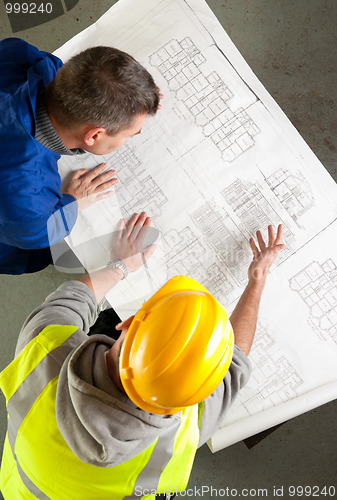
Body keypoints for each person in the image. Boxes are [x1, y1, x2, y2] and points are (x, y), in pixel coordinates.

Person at [0, 221, 284, 499]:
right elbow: (236, 362)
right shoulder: (181, 435)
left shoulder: (45, 350)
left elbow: (72, 299)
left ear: (127, 323)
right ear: (199, 391)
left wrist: (119, 265)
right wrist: (257, 280)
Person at [0, 38, 160, 275]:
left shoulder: (18, 54)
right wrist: (71, 201)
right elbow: (42, 233)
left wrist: (138, 99)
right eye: (132, 133)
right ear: (94, 135)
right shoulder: (29, 203)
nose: (135, 133)